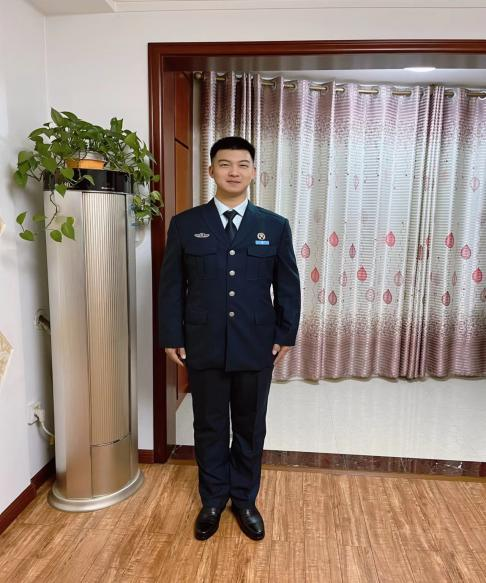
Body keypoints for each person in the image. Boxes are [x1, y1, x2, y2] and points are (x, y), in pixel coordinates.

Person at [158, 136, 301, 541]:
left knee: (250, 426)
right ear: (211, 171)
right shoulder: (186, 224)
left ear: (254, 172)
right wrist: (171, 335)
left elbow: (287, 286)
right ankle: (213, 500)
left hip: (256, 344)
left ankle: (244, 500)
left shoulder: (274, 226)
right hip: (202, 343)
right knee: (209, 425)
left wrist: (285, 333)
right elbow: (172, 286)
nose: (233, 172)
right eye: (224, 164)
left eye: (242, 165)